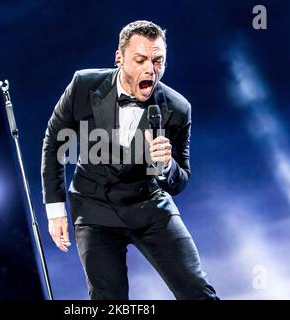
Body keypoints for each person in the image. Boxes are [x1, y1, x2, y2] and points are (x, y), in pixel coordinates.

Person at [41, 20, 218, 300]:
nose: (151, 68)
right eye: (141, 59)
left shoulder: (177, 108)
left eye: (158, 60)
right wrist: (55, 210)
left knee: (197, 290)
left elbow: (180, 178)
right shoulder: (84, 86)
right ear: (119, 58)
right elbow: (54, 142)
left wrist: (166, 165)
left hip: (150, 206)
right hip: (94, 208)